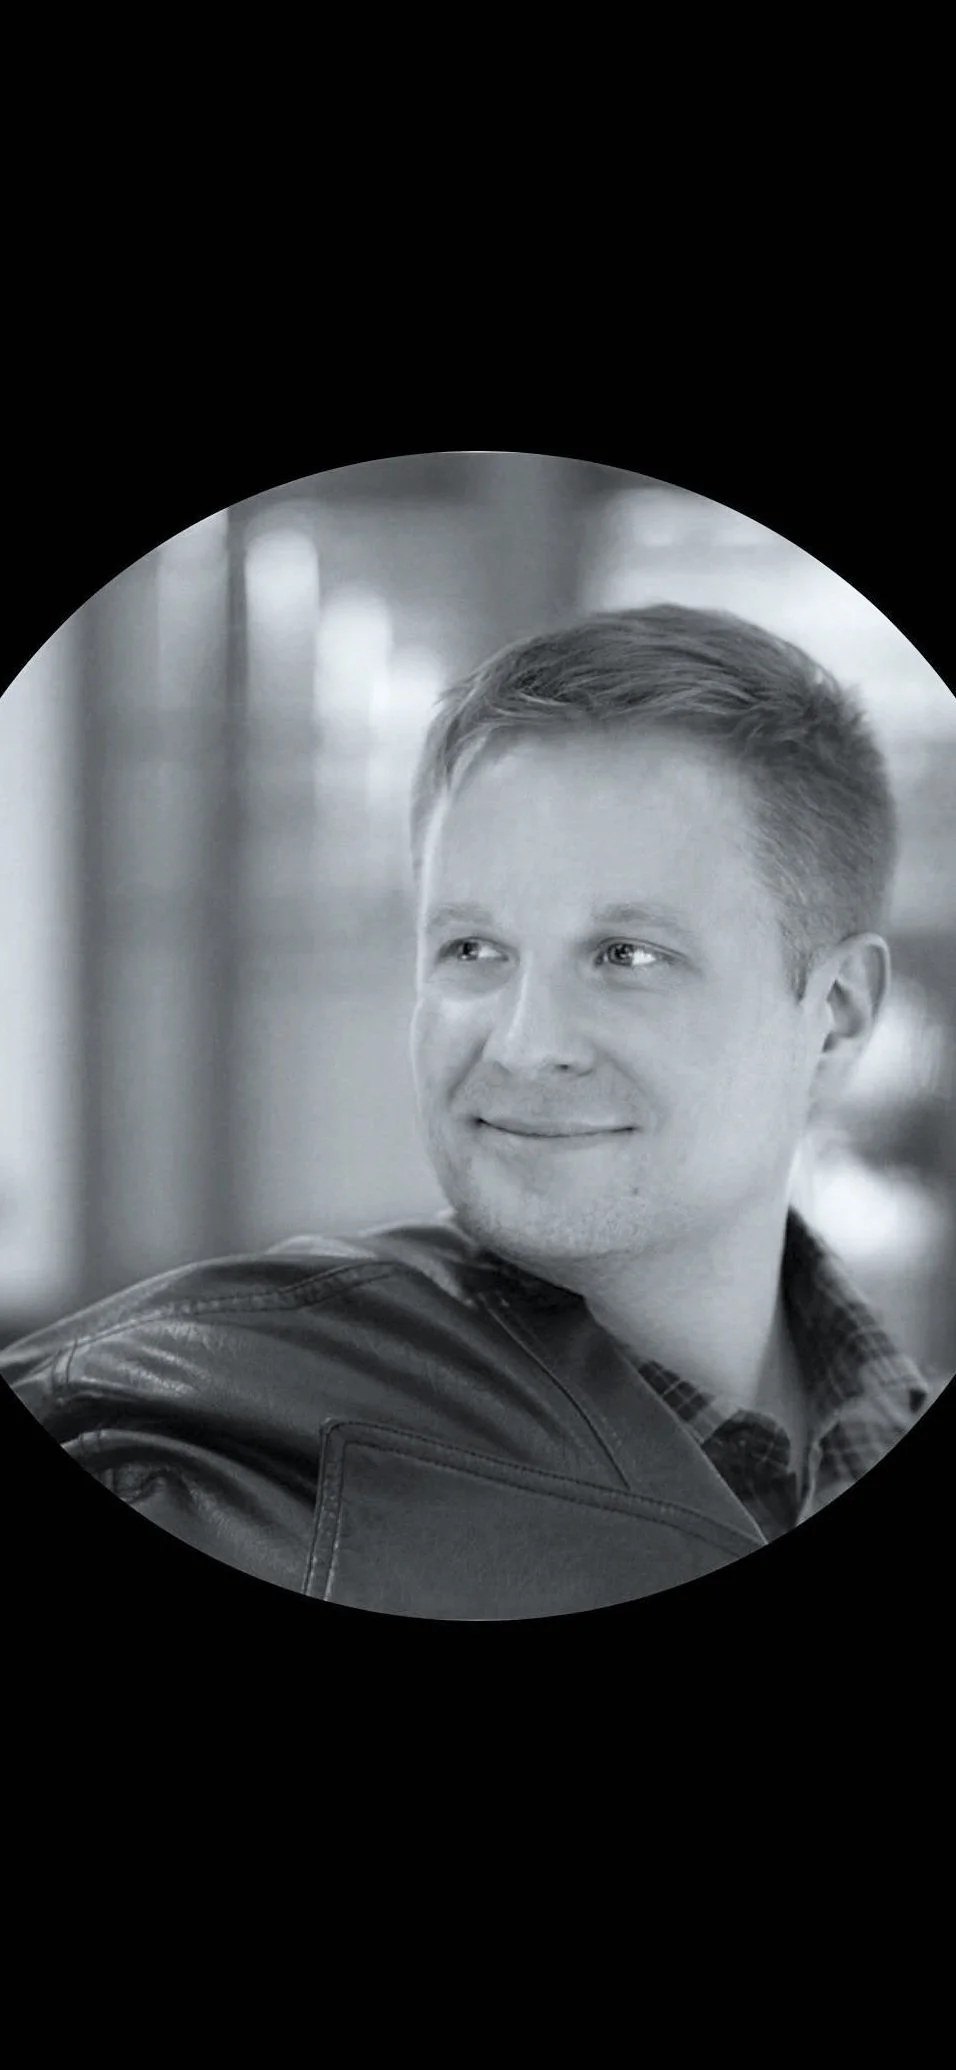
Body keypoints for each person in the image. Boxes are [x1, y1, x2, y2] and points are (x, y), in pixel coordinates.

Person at [2, 604, 947, 1619]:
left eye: (628, 955)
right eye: (472, 949)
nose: (523, 1044)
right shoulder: (216, 1464)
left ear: (837, 1017)